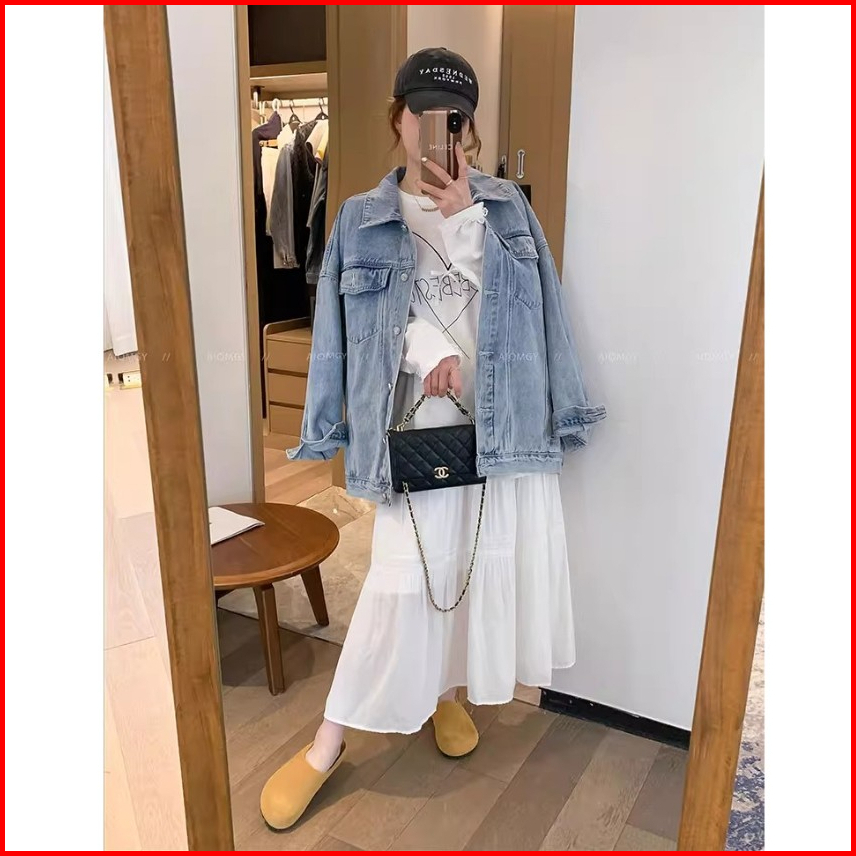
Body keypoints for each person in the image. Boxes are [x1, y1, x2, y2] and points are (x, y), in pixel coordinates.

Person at [260, 47, 606, 830]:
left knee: (466, 573)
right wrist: (418, 353)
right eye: (419, 112)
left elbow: (536, 310)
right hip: (412, 430)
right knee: (398, 583)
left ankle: (447, 696)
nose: (433, 129)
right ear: (398, 119)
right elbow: (344, 334)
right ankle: (328, 742)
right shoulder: (360, 216)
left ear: (468, 129)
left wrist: (469, 226)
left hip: (499, 430)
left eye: (450, 117)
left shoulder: (505, 209)